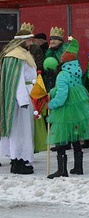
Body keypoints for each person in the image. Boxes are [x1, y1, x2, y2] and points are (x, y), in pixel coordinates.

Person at [47, 37, 89, 178]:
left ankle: (62, 170)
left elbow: (62, 95)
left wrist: (51, 103)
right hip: (78, 110)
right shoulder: (76, 71)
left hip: (65, 110)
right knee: (75, 137)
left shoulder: (62, 74)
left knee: (61, 138)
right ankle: (78, 167)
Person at [0, 22, 38, 174]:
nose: (31, 42)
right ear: (22, 40)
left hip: (27, 96)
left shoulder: (21, 53)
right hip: (19, 101)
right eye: (29, 40)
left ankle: (21, 159)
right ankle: (17, 161)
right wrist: (22, 100)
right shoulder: (15, 56)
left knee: (24, 130)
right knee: (19, 131)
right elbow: (16, 81)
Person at [43, 26, 66, 91]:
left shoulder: (64, 50)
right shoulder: (49, 51)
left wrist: (57, 71)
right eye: (51, 39)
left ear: (60, 41)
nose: (52, 41)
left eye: (55, 39)